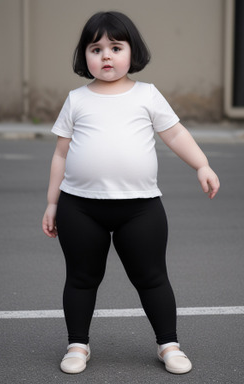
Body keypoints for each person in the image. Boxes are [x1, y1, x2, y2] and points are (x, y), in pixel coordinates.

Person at [42, 11, 220, 375]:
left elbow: (175, 134)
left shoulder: (147, 95)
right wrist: (51, 203)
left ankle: (168, 344)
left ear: (131, 52)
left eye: (115, 47)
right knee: (80, 277)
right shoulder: (77, 100)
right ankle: (78, 344)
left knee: (153, 277)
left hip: (140, 208)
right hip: (79, 207)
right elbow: (61, 153)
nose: (106, 55)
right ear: (84, 56)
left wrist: (201, 164)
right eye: (96, 48)